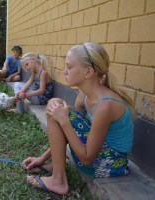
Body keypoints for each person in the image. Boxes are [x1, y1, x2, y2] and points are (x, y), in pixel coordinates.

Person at [22, 42, 135, 196]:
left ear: (88, 72)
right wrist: (42, 158)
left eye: (69, 67)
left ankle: (59, 181)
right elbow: (70, 130)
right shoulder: (84, 95)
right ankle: (56, 167)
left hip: (112, 164)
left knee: (57, 108)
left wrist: (64, 120)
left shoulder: (105, 105)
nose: (64, 71)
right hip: (101, 154)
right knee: (56, 106)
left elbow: (87, 158)